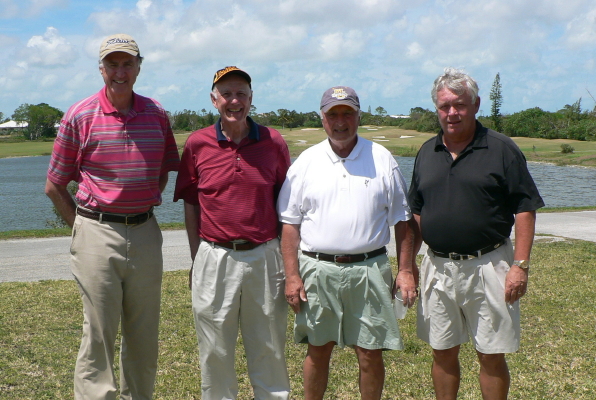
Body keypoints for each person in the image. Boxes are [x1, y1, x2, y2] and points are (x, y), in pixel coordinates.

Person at [45, 33, 180, 400]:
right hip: (95, 231)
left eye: (127, 64)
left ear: (138, 67)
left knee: (144, 333)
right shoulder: (80, 114)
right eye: (113, 64)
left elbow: (163, 170)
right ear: (101, 69)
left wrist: (142, 198)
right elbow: (55, 185)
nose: (120, 72)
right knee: (99, 333)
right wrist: (82, 227)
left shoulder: (156, 114)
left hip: (145, 230)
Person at [408, 67, 544, 400]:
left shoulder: (501, 149)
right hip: (437, 266)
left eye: (460, 105)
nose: (452, 113)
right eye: (444, 106)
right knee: (442, 351)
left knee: (491, 354)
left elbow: (525, 208)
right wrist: (408, 263)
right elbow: (417, 211)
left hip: (489, 264)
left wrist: (520, 266)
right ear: (437, 109)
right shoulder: (427, 151)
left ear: (476, 105)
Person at [278, 86, 417, 400]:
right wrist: (292, 275)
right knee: (318, 349)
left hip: (370, 268)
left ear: (359, 116)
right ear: (322, 118)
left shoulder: (382, 158)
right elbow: (290, 225)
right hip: (317, 270)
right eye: (333, 114)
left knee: (370, 352)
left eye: (347, 113)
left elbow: (402, 221)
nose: (340, 121)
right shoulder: (306, 162)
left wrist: (405, 270)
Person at [173, 66, 291, 400]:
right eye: (226, 94)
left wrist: (286, 259)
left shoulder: (273, 142)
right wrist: (197, 258)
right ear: (214, 100)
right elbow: (191, 204)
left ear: (251, 99)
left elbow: (287, 204)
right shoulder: (197, 144)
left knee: (269, 346)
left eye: (241, 93)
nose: (234, 101)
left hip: (264, 255)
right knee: (215, 350)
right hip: (214, 255)